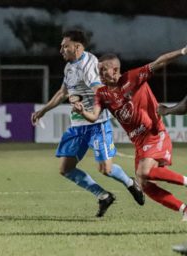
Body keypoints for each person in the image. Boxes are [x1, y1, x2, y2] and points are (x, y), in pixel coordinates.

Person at [31, 30, 144, 218]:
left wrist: (108, 104)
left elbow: (100, 89)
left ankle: (131, 183)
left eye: (64, 46)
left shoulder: (89, 64)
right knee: (65, 169)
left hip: (97, 124)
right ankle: (103, 196)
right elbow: (62, 93)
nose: (61, 50)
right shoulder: (69, 67)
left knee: (106, 169)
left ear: (77, 46)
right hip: (77, 126)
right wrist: (42, 111)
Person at [72, 45, 187, 220]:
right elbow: (94, 116)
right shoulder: (102, 94)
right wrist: (82, 111)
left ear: (115, 69)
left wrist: (182, 52)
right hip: (139, 143)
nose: (100, 74)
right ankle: (184, 209)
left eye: (103, 70)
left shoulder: (132, 77)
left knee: (144, 172)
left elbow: (159, 62)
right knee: (145, 184)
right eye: (98, 71)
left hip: (154, 133)